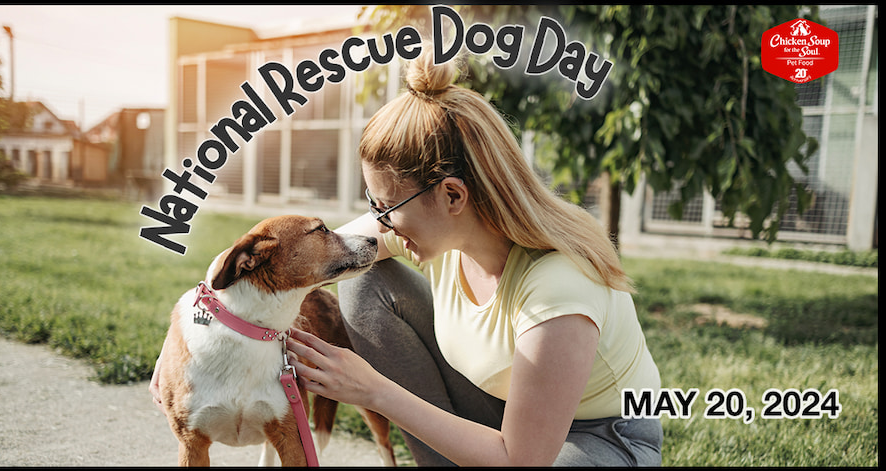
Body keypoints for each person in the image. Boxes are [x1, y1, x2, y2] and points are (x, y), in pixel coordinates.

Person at [151, 44, 663, 467]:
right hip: (501, 410)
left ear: (453, 197)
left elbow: (521, 459)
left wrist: (375, 391)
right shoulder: (440, 229)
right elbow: (303, 257)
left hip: (597, 438)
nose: (380, 222)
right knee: (363, 278)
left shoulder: (559, 284)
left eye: (385, 206)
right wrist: (201, 317)